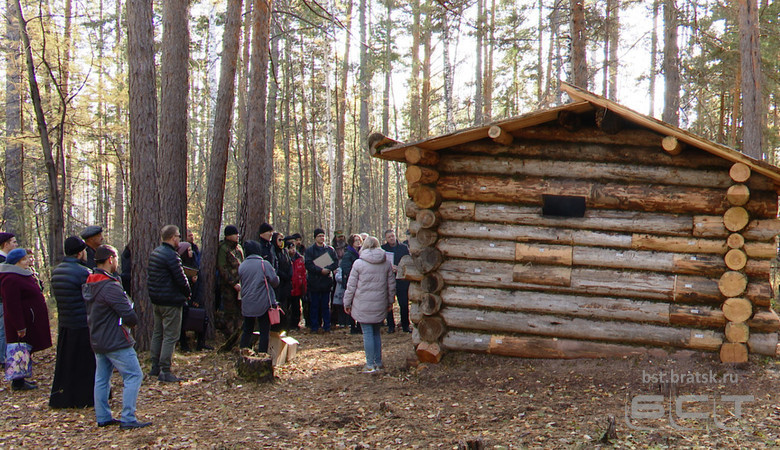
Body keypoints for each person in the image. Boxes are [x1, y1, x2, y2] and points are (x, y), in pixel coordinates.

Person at [83, 245, 151, 430]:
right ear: (111, 259)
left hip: (97, 337)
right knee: (134, 374)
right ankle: (128, 418)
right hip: (114, 339)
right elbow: (128, 315)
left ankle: (103, 417)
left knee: (102, 377)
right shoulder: (109, 286)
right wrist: (132, 318)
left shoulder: (91, 282)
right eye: (116, 260)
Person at [49, 236, 95, 408]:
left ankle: (63, 397)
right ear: (79, 253)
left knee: (66, 362)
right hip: (82, 323)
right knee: (84, 363)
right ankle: (84, 397)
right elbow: (90, 297)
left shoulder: (57, 271)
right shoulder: (83, 272)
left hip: (65, 323)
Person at [0, 248, 52, 390]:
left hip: (29, 319)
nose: (27, 261)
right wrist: (19, 326)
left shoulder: (23, 275)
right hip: (20, 322)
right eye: (23, 260)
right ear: (15, 262)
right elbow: (12, 305)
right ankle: (17, 382)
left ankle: (21, 378)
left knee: (25, 348)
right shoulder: (10, 278)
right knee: (18, 348)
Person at [343, 236, 395, 374]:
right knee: (376, 332)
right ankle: (378, 362)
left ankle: (370, 364)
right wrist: (390, 301)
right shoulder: (386, 263)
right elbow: (391, 285)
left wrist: (347, 302)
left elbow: (351, 286)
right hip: (380, 303)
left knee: (367, 333)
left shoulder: (359, 263)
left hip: (363, 304)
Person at [147, 225, 191, 382]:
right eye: (179, 236)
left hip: (157, 301)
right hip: (170, 302)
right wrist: (187, 293)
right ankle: (165, 370)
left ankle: (155, 366)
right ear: (173, 237)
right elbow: (181, 279)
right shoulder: (171, 255)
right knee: (170, 335)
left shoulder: (155, 253)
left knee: (158, 333)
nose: (180, 239)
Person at [238, 241, 280, 352]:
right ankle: (262, 354)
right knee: (264, 331)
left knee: (247, 330)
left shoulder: (242, 266)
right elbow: (275, 281)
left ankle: (243, 353)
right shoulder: (264, 264)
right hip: (263, 303)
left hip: (247, 303)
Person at [304, 228, 339, 333]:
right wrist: (320, 270)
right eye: (319, 236)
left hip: (326, 282)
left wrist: (328, 269)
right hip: (314, 282)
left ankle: (327, 326)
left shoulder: (330, 250)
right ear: (315, 238)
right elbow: (308, 264)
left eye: (323, 236)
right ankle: (314, 326)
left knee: (326, 305)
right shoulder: (310, 250)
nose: (321, 238)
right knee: (314, 305)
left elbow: (335, 262)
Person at [178, 242, 210, 351]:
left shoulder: (195, 265)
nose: (191, 252)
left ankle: (201, 343)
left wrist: (197, 299)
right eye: (189, 250)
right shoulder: (179, 266)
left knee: (204, 319)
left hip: (195, 298)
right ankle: (183, 344)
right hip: (184, 300)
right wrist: (190, 282)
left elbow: (200, 284)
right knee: (182, 321)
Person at [216, 225, 244, 339]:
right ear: (228, 236)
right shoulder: (223, 248)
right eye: (234, 234)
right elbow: (222, 268)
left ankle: (239, 336)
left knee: (240, 311)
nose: (237, 235)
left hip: (241, 285)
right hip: (228, 286)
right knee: (230, 312)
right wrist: (233, 283)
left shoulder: (239, 248)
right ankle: (230, 336)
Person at [382, 229, 411, 333]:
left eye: (392, 236)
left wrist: (399, 268)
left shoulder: (403, 248)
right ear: (386, 239)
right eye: (389, 237)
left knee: (403, 303)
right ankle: (391, 325)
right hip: (388, 278)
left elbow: (408, 261)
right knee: (389, 302)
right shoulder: (383, 249)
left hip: (402, 279)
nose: (391, 238)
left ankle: (405, 325)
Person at [0, 231, 19, 365]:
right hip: (2, 301)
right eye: (13, 242)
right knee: (3, 330)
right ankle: (3, 358)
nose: (16, 244)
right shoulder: (3, 262)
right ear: (6, 244)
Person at [340, 234, 363, 334]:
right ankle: (352, 325)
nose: (358, 242)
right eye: (356, 240)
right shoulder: (348, 254)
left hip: (361, 282)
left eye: (359, 240)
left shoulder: (362, 253)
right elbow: (346, 268)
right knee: (352, 304)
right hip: (351, 281)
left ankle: (359, 325)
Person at [272, 232, 292, 330]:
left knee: (286, 306)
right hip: (278, 283)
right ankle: (277, 328)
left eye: (282, 240)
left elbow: (290, 264)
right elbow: (275, 268)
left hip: (286, 284)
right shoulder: (273, 252)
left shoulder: (285, 252)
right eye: (279, 240)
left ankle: (285, 327)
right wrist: (283, 275)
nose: (281, 242)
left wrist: (290, 274)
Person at [285, 237, 306, 330]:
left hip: (298, 286)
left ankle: (295, 323)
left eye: (293, 248)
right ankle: (287, 324)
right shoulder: (284, 258)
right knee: (287, 306)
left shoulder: (300, 258)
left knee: (296, 307)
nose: (292, 250)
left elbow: (303, 273)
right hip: (288, 286)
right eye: (290, 248)